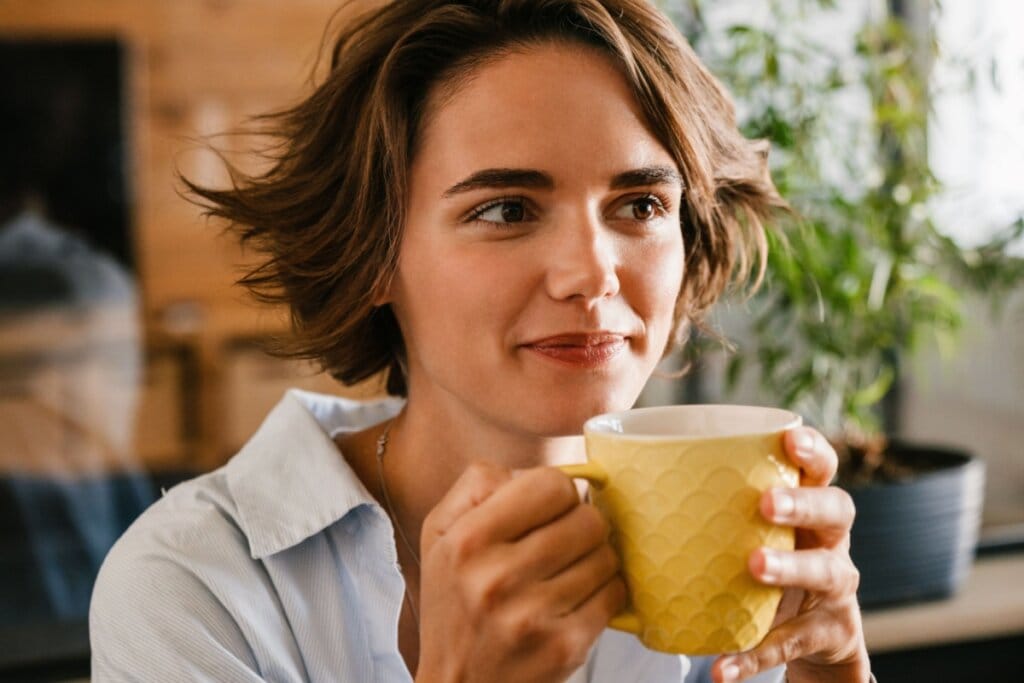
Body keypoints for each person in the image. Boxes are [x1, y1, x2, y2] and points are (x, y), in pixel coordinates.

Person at [89, 1, 873, 681]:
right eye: (505, 210)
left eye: (639, 205)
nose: (592, 274)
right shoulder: (190, 588)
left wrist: (831, 673)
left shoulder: (723, 540)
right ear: (374, 257)